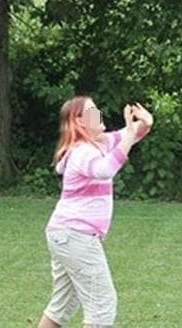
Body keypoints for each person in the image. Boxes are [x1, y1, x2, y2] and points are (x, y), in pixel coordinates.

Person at [38, 96, 153, 328]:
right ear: (79, 122)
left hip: (65, 235)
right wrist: (131, 132)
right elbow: (105, 170)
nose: (98, 114)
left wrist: (146, 123)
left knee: (63, 304)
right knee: (102, 305)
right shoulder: (82, 152)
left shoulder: (99, 144)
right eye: (92, 112)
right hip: (75, 236)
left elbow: (128, 137)